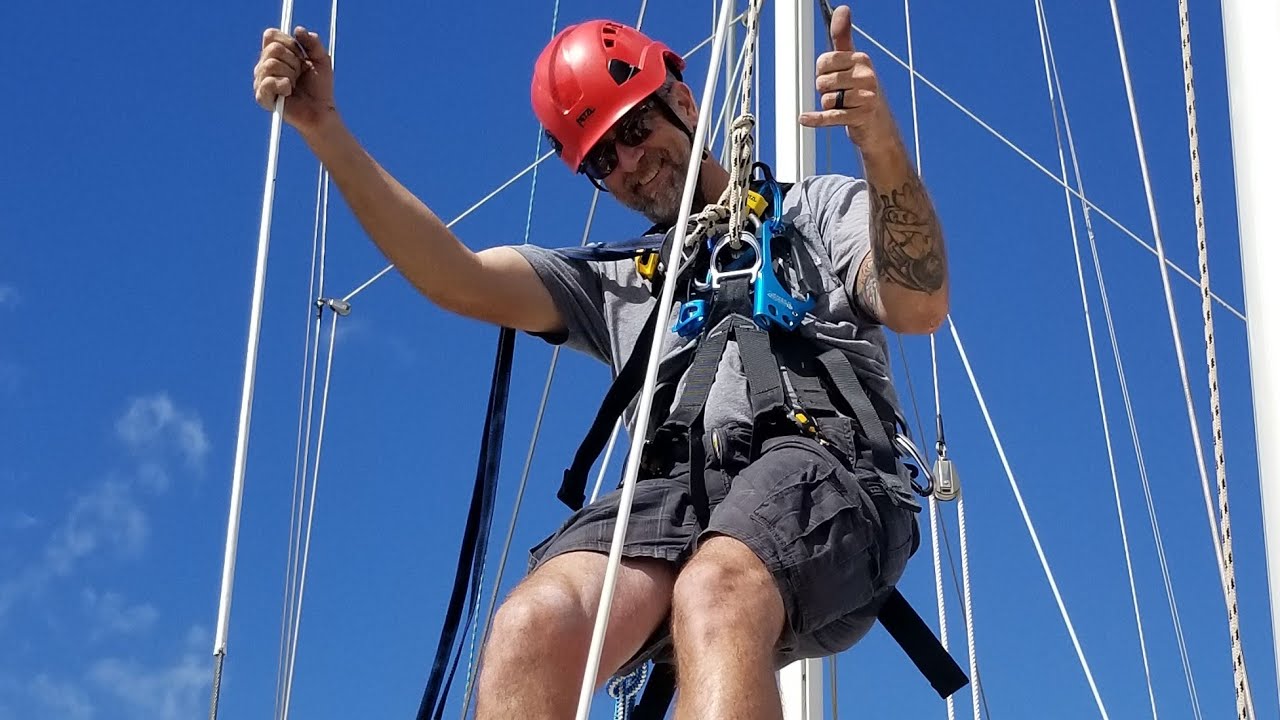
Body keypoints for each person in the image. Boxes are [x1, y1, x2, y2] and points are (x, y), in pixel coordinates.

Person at [253, 5, 949, 719]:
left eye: (635, 129)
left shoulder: (816, 211)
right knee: (531, 627)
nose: (628, 165)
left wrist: (879, 144)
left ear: (683, 102)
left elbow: (919, 304)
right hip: (678, 491)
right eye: (600, 161)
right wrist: (323, 129)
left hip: (828, 470)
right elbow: (455, 276)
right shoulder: (619, 279)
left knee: (718, 591)